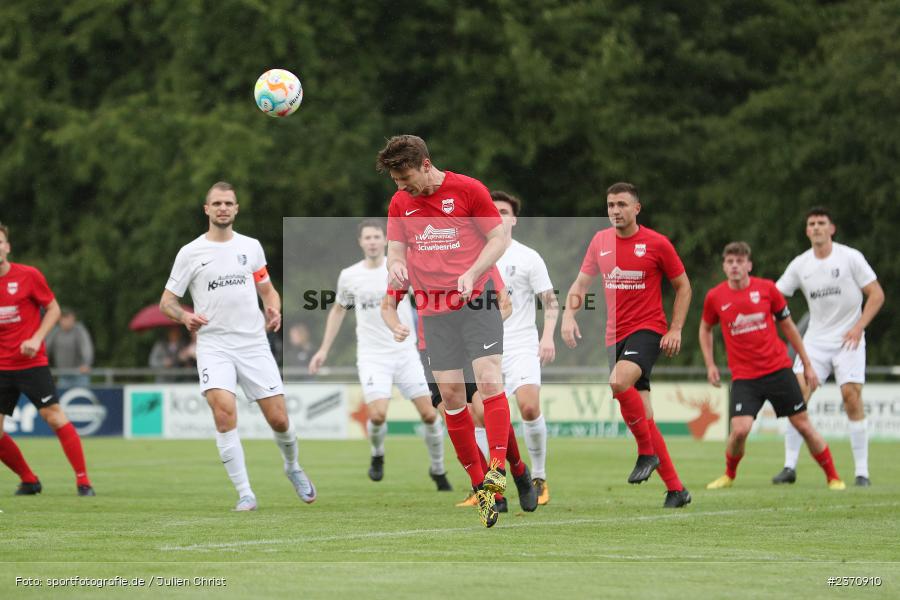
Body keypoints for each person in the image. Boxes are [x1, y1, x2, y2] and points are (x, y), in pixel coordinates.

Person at [378, 134, 512, 528]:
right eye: (394, 179)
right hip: (433, 308)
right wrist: (394, 266)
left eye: (404, 176)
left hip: (477, 299)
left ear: (424, 163)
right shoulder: (401, 202)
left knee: (489, 379)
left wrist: (473, 272)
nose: (400, 186)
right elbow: (396, 249)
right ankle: (480, 487)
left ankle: (498, 469)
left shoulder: (469, 189)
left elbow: (498, 237)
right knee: (451, 395)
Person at [159, 181, 316, 511]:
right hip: (214, 345)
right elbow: (167, 302)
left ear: (236, 208)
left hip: (253, 344)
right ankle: (245, 493)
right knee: (224, 414)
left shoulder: (251, 247)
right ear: (207, 209)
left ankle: (292, 467)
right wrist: (184, 317)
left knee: (279, 420)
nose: (222, 208)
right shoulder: (191, 253)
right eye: (216, 203)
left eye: (228, 203)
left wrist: (274, 309)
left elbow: (268, 291)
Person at [561, 182, 692, 508]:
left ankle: (646, 452)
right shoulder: (600, 241)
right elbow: (581, 283)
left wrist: (675, 329)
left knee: (618, 381)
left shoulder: (656, 244)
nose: (615, 211)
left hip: (648, 330)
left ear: (637, 208)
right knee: (644, 413)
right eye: (610, 205)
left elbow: (683, 286)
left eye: (622, 204)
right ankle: (677, 489)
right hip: (613, 336)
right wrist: (568, 315)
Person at [308, 219, 451, 491]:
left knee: (431, 415)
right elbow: (338, 310)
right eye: (367, 237)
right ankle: (377, 454)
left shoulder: (400, 269)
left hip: (405, 354)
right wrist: (323, 350)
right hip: (373, 356)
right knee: (377, 416)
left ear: (385, 240)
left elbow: (425, 299)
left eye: (376, 236)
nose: (372, 241)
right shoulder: (350, 275)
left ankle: (438, 469)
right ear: (360, 242)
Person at [382, 271, 538, 514]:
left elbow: (505, 305)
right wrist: (396, 326)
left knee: (484, 409)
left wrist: (485, 326)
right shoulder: (417, 253)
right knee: (453, 417)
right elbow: (388, 303)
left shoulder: (473, 252)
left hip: (470, 343)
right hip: (433, 346)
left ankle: (518, 470)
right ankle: (488, 491)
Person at [700, 242, 846, 490]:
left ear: (749, 265)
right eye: (730, 262)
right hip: (745, 377)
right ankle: (729, 475)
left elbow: (789, 327)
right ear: (724, 266)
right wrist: (710, 364)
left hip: (778, 370)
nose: (735, 266)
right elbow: (705, 328)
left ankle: (833, 476)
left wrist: (808, 365)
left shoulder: (767, 289)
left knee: (803, 425)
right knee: (739, 431)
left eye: (740, 261)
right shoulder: (715, 297)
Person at [772, 208, 884, 487]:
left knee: (851, 397)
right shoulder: (801, 264)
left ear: (831, 228)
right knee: (798, 397)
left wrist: (859, 327)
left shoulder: (850, 257)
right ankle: (789, 467)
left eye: (822, 223)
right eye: (812, 224)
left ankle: (862, 472)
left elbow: (877, 294)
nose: (817, 228)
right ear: (807, 231)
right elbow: (775, 295)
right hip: (815, 341)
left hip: (849, 339)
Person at [0, 222, 95, 496]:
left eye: (1, 241)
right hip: (2, 368)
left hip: (31, 364)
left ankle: (83, 481)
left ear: (8, 247)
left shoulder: (28, 276)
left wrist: (36, 338)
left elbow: (53, 309)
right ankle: (29, 480)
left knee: (53, 417)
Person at [491, 190, 559, 505]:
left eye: (504, 211)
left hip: (521, 343)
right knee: (484, 417)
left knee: (529, 407)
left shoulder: (528, 256)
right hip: (484, 348)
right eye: (492, 211)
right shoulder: (472, 255)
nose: (498, 216)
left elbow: (550, 302)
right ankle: (485, 484)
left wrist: (547, 338)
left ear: (514, 219)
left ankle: (539, 476)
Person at [45, 307, 94, 388]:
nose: (66, 322)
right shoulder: (55, 332)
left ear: (73, 318)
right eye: (64, 319)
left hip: (79, 374)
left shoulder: (79, 330)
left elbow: (86, 348)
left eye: (68, 318)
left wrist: (86, 364)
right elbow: (46, 348)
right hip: (63, 375)